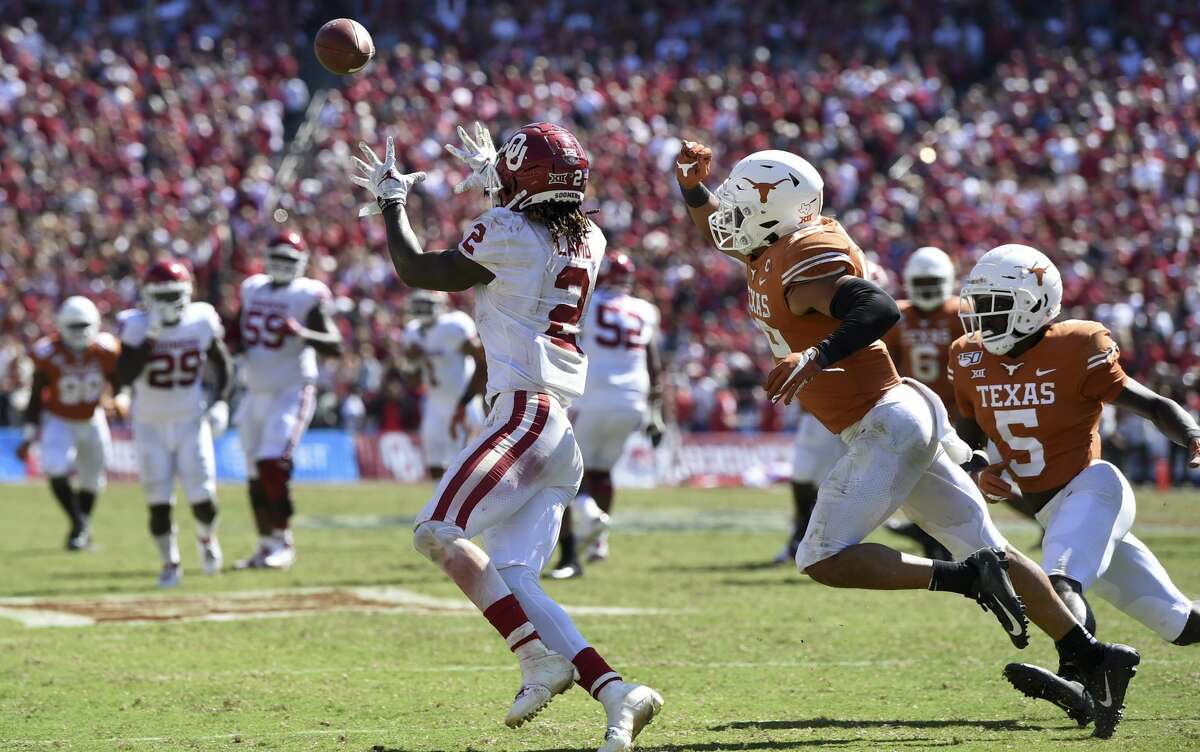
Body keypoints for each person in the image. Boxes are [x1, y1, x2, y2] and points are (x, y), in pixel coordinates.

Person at [676, 139, 1138, 738]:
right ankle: (1091, 655)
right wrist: (692, 186)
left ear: (775, 212)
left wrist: (816, 355)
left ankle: (963, 578)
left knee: (821, 558)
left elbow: (874, 308)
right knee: (992, 545)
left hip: (885, 423)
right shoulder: (769, 248)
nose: (725, 214)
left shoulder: (804, 258)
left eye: (738, 203)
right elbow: (717, 228)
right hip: (899, 417)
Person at [350, 121, 662, 751]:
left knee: (436, 531)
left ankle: (536, 660)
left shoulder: (510, 230)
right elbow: (524, 253)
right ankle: (615, 691)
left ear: (524, 182)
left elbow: (420, 269)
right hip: (557, 432)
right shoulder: (592, 238)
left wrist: (391, 203)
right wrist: (500, 184)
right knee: (516, 579)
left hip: (524, 415)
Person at [948, 244, 1200, 727]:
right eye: (978, 304)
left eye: (993, 304)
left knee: (1059, 578)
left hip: (1093, 486)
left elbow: (1149, 404)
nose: (980, 317)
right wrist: (978, 466)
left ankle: (1080, 677)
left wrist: (1191, 434)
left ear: (1031, 303)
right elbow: (970, 431)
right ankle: (1096, 677)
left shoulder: (1077, 344)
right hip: (1054, 512)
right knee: (1181, 625)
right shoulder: (969, 358)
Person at [115, 260, 233, 588]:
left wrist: (221, 400)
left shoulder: (201, 319)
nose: (167, 303)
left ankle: (206, 539)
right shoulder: (135, 325)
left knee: (203, 496)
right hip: (149, 424)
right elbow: (123, 375)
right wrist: (151, 338)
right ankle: (170, 563)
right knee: (157, 501)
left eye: (173, 295)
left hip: (190, 420)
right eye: (161, 295)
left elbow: (222, 364)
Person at [548, 251, 664, 579]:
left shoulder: (588, 303)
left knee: (563, 474)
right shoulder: (645, 309)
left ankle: (579, 536)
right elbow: (654, 361)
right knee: (600, 471)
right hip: (633, 400)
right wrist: (657, 409)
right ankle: (600, 542)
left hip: (594, 396)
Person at [232, 230, 343, 570]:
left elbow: (335, 344)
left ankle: (283, 541)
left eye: (288, 261)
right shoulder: (251, 288)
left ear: (301, 264)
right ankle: (265, 545)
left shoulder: (306, 294)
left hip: (291, 388)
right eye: (277, 259)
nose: (281, 266)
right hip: (254, 388)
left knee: (272, 463)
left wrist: (302, 333)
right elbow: (239, 332)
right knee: (254, 471)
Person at [17, 296, 119, 550]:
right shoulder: (48, 352)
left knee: (93, 477)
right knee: (53, 466)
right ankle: (80, 525)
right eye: (73, 326)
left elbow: (118, 380)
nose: (79, 332)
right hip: (59, 418)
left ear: (95, 324)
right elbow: (36, 393)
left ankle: (79, 530)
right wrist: (29, 434)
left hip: (92, 417)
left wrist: (118, 397)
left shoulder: (106, 350)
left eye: (84, 325)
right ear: (61, 325)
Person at [881, 246, 962, 561]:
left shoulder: (961, 314)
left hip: (957, 412)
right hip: (916, 412)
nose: (927, 289)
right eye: (922, 282)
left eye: (933, 282)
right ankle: (931, 534)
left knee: (963, 477)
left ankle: (937, 537)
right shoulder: (897, 314)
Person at [403, 290, 486, 480]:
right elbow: (414, 381)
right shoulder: (413, 331)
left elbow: (482, 360)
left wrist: (470, 398)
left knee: (464, 462)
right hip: (434, 401)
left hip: (461, 400)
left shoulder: (452, 325)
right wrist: (413, 363)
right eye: (418, 306)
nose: (420, 310)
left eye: (425, 305)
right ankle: (440, 502)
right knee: (434, 460)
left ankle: (466, 505)